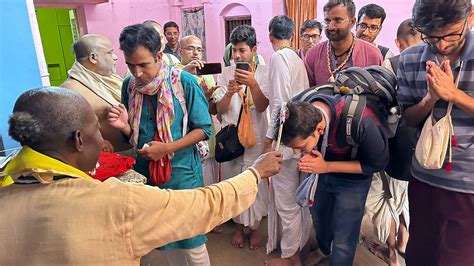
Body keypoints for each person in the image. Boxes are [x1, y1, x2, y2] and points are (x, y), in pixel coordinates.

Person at [0, 86, 283, 265]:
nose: (101, 140)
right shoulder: (116, 203)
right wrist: (255, 173)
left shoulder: (7, 187)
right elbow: (202, 205)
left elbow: (203, 128)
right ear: (78, 140)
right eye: (97, 131)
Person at [108, 24, 212, 265]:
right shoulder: (130, 86)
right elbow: (134, 134)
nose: (137, 72)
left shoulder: (183, 82)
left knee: (191, 240)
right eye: (130, 65)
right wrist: (124, 126)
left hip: (181, 173)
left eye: (143, 64)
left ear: (158, 56)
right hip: (146, 174)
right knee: (163, 237)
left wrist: (166, 148)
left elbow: (204, 129)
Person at [397, 0, 474, 265]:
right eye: (431, 37)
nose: (440, 46)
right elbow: (408, 119)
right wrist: (430, 99)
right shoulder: (409, 59)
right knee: (420, 255)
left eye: (450, 35)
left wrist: (454, 95)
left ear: (471, 18)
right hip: (424, 176)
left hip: (469, 184)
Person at [276, 95, 389, 265]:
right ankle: (324, 248)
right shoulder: (299, 108)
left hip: (353, 179)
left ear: (319, 129)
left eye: (300, 148)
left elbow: (377, 164)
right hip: (321, 169)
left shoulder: (362, 120)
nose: (296, 153)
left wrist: (326, 166)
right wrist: (319, 164)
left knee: (345, 233)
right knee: (319, 217)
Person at [362, 18, 422, 266]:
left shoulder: (393, 63)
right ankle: (403, 241)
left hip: (394, 145)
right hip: (420, 150)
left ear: (397, 42)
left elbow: (384, 106)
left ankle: (393, 252)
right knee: (404, 199)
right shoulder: (435, 64)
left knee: (386, 199)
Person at [213, 25, 270, 250]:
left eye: (242, 50)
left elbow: (264, 106)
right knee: (233, 181)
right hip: (231, 139)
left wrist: (253, 84)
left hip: (255, 137)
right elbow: (219, 110)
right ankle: (237, 226)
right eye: (234, 50)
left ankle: (254, 228)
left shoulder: (264, 73)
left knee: (254, 183)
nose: (237, 55)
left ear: (254, 50)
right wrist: (228, 93)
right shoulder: (226, 72)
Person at [264, 15, 312, 266]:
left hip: (286, 142)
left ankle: (291, 257)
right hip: (299, 139)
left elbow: (280, 107)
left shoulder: (278, 57)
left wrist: (269, 141)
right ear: (292, 36)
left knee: (287, 202)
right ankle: (296, 248)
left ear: (270, 36)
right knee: (296, 199)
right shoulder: (296, 58)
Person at [61, 34, 131, 153]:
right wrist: (93, 143)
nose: (115, 57)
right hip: (108, 157)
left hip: (132, 147)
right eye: (110, 52)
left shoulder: (112, 79)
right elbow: (65, 132)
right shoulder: (70, 90)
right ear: (93, 57)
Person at [305, 0, 382, 87]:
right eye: (327, 21)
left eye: (337, 21)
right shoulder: (313, 54)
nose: (330, 27)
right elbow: (308, 94)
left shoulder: (372, 54)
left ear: (352, 22)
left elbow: (377, 96)